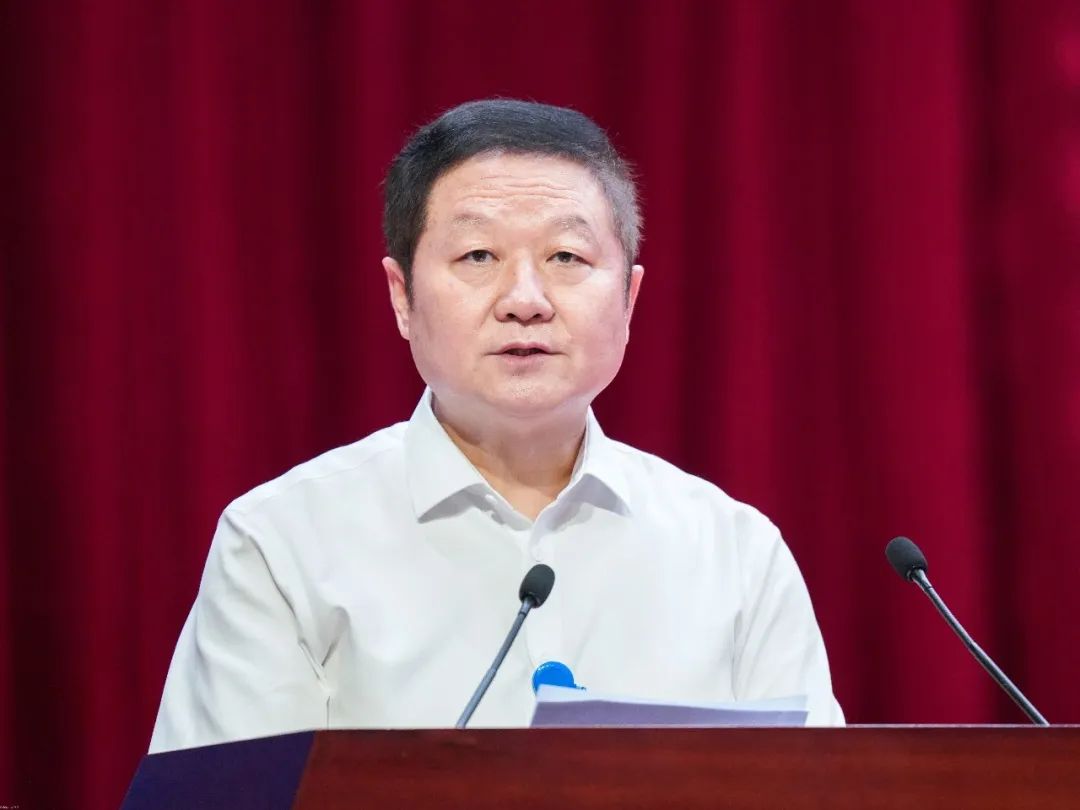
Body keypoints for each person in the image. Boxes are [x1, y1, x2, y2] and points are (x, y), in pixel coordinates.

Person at [149, 99, 843, 753]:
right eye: (477, 256)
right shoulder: (282, 544)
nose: (525, 300)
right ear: (402, 297)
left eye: (566, 258)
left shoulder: (735, 554)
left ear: (630, 299)